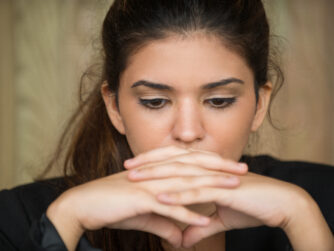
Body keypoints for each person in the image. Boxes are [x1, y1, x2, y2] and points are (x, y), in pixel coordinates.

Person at [1, 0, 334, 250]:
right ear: (114, 106)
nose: (188, 132)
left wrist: (303, 220)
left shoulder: (322, 199)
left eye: (219, 101)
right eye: (154, 102)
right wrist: (65, 221)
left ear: (259, 105)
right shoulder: (18, 218)